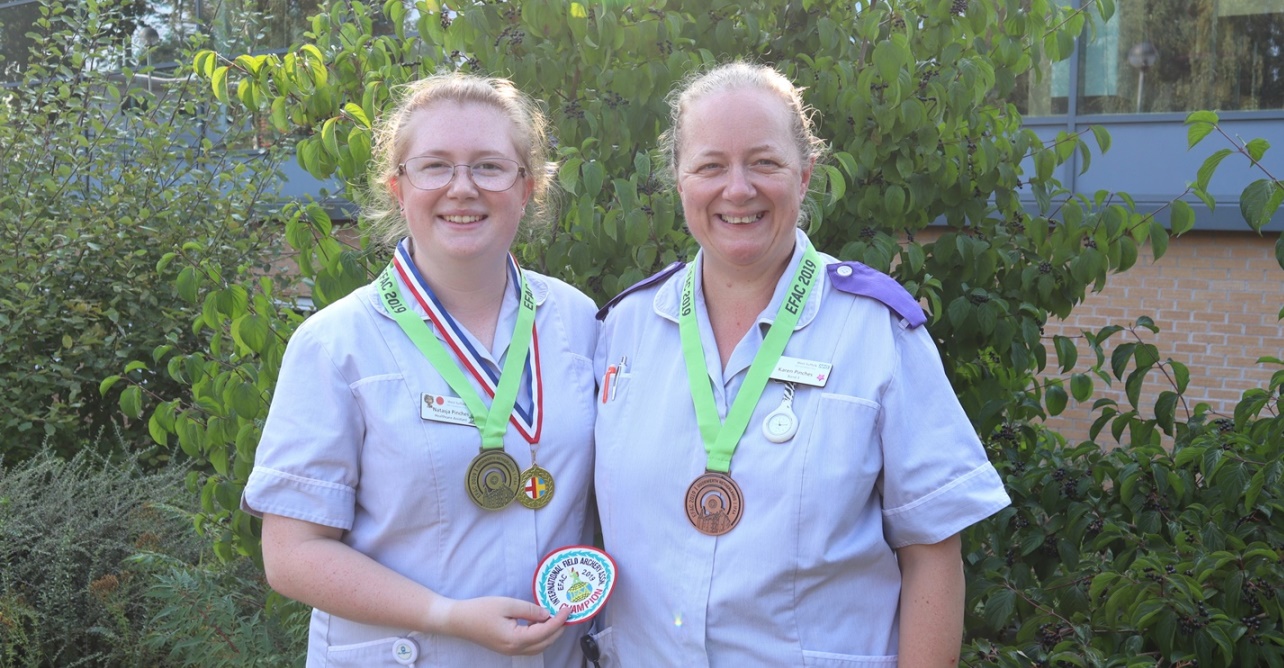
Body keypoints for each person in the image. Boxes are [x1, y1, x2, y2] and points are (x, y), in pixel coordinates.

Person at [590, 62, 1011, 666]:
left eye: (764, 162)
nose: (738, 189)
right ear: (679, 182)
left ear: (805, 174)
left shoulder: (875, 331)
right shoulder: (621, 330)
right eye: (711, 166)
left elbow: (933, 553)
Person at [242, 73, 598, 667]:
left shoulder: (578, 322)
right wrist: (447, 616)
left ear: (528, 187)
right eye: (435, 166)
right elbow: (292, 556)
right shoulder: (336, 345)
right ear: (398, 188)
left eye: (489, 166)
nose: (462, 189)